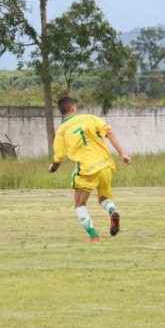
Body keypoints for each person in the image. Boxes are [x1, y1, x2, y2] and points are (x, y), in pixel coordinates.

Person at [48, 96, 131, 241]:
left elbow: (58, 158)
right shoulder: (90, 118)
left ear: (61, 111)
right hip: (105, 165)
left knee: (79, 205)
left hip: (87, 169)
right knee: (104, 198)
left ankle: (94, 236)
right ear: (73, 108)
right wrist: (122, 153)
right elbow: (109, 132)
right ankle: (112, 211)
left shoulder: (62, 130)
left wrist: (53, 168)